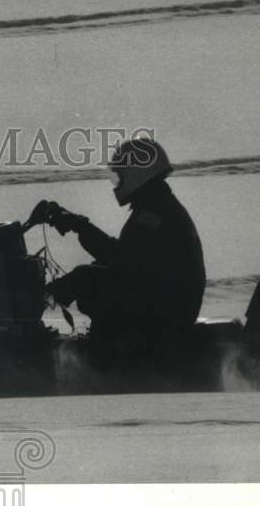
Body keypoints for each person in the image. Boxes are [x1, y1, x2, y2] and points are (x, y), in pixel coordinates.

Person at [28, 136, 206, 372]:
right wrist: (76, 225)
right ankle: (102, 343)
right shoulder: (158, 206)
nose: (117, 183)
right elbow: (128, 259)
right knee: (93, 272)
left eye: (119, 176)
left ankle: (29, 333)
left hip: (164, 313)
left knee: (85, 277)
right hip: (168, 304)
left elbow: (121, 258)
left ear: (136, 174)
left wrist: (80, 226)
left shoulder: (154, 215)